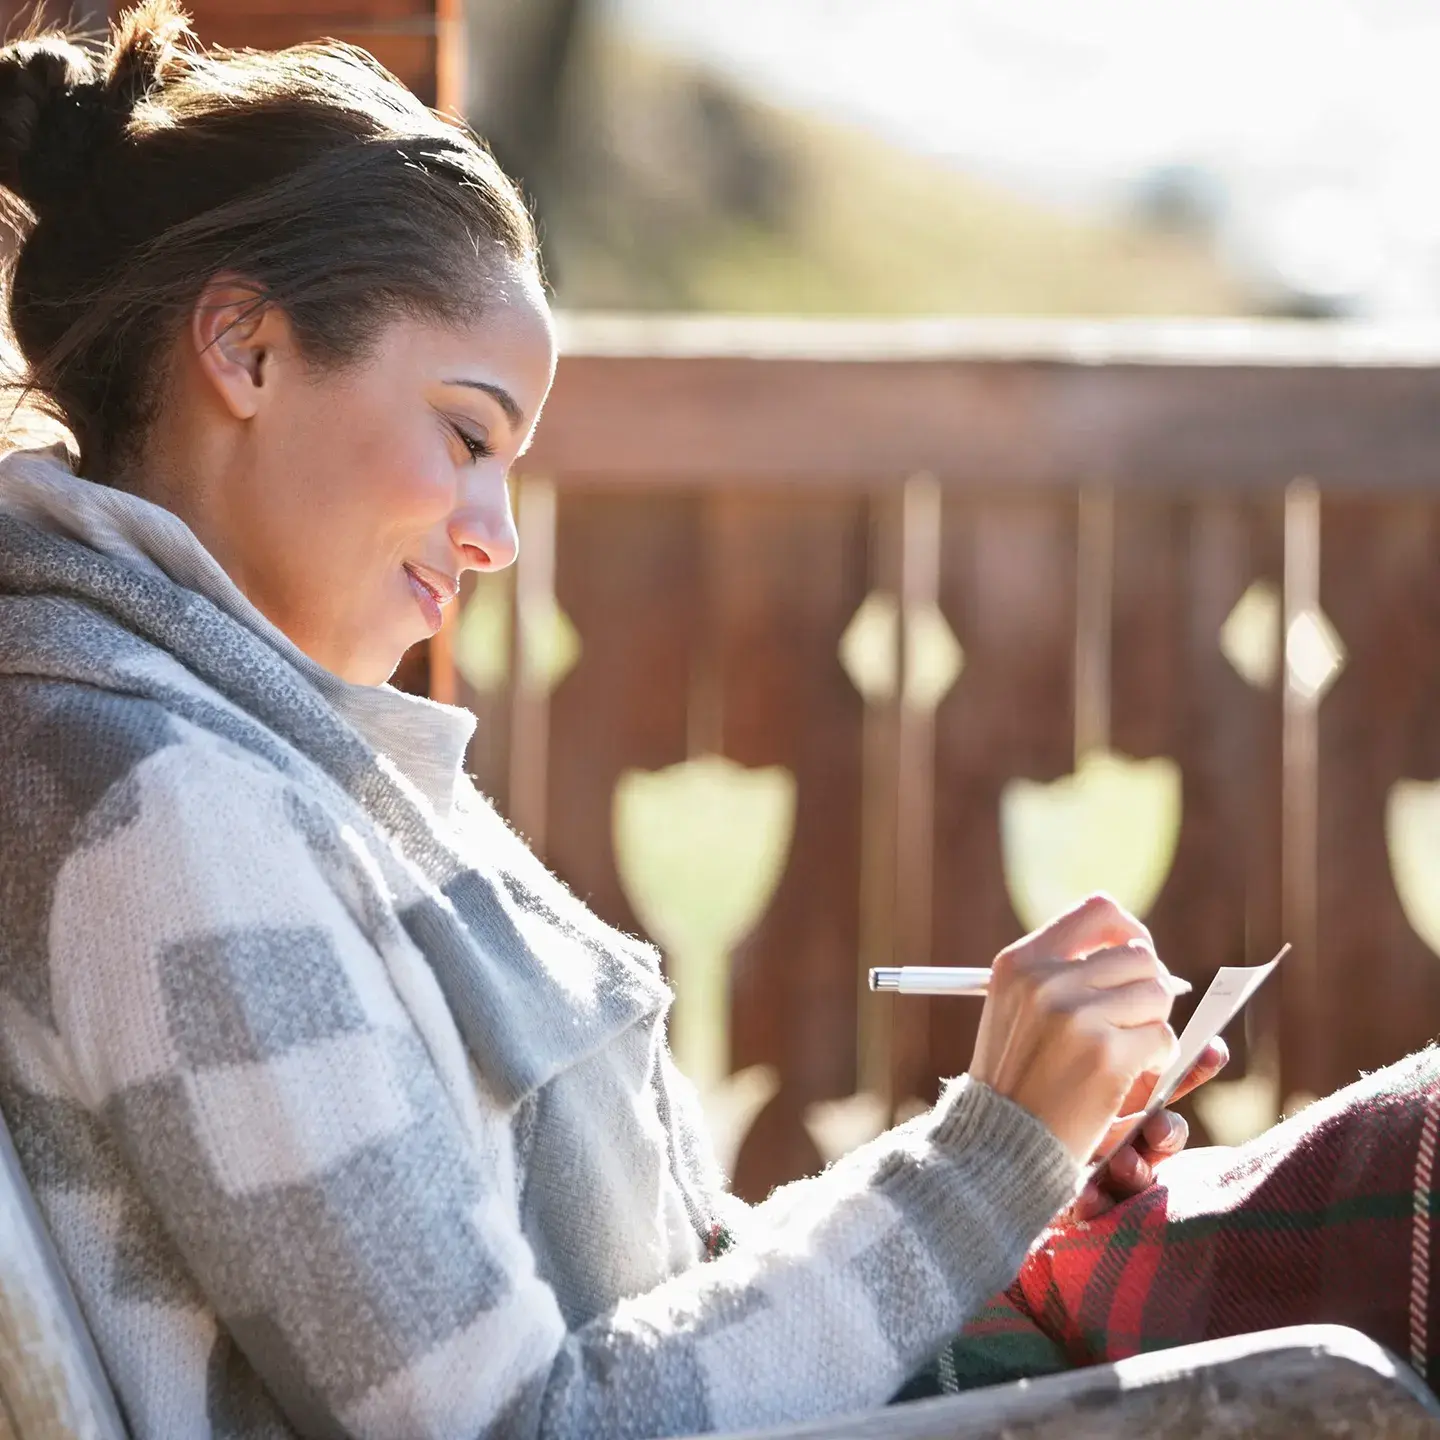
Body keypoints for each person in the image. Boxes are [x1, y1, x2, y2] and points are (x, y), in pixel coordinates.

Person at [0, 6, 1220, 1438]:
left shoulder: (233, 748)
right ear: (247, 349)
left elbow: (640, 1296)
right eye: (467, 435)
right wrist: (981, 1162)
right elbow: (520, 1426)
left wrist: (1023, 1169)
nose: (497, 534)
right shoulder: (163, 817)